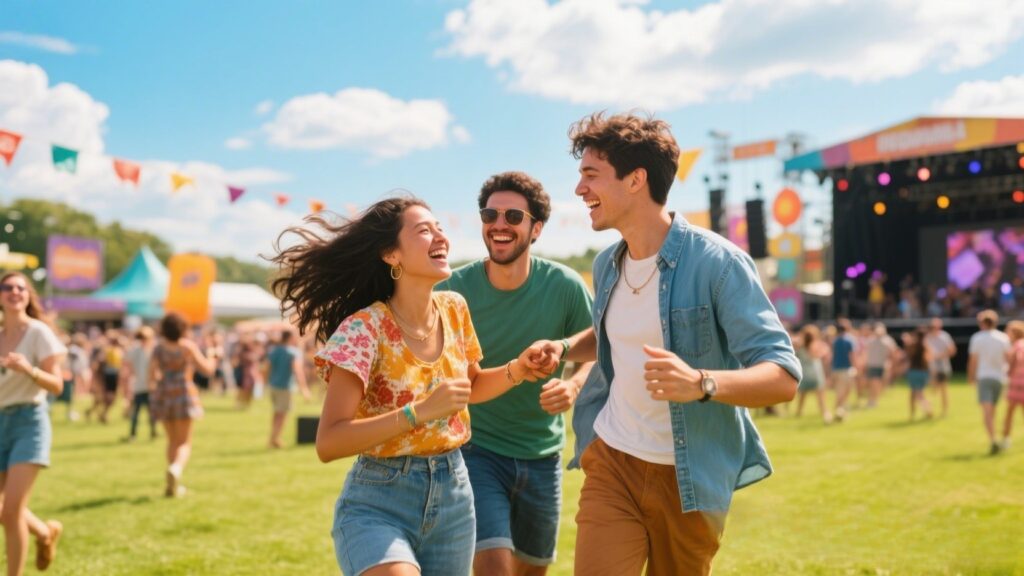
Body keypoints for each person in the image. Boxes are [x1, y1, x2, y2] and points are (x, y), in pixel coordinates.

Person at [526, 112, 800, 576]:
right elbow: (617, 332)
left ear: (636, 180)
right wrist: (564, 347)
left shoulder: (720, 264)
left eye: (591, 175)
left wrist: (700, 382)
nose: (579, 190)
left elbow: (783, 375)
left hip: (690, 480)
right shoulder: (608, 265)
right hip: (613, 460)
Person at [272, 196, 547, 576]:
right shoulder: (363, 329)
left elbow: (472, 386)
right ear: (391, 254)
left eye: (440, 227)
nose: (440, 236)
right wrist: (418, 412)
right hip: (379, 499)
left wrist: (519, 368)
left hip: (454, 493)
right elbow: (329, 442)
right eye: (423, 230)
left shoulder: (454, 308)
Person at [437, 171, 595, 575]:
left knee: (531, 570)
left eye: (513, 216)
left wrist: (574, 384)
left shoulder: (565, 285)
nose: (499, 225)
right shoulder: (453, 290)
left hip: (542, 454)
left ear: (535, 228)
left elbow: (598, 346)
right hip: (476, 450)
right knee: (493, 567)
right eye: (490, 214)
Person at [0, 272, 67, 574]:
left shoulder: (38, 332)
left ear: (28, 296)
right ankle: (44, 532)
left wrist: (29, 370)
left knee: (11, 510)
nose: (15, 292)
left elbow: (57, 385)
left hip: (29, 422)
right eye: (8, 287)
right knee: (4, 511)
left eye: (21, 288)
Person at [149, 313, 216, 497]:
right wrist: (212, 356)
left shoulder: (158, 349)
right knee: (184, 442)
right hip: (184, 393)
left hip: (164, 395)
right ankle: (176, 469)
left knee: (171, 441)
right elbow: (207, 370)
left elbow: (151, 376)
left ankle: (173, 482)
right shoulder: (187, 347)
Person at [967, 309, 1011, 455]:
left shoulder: (977, 338)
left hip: (984, 376)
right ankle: (995, 437)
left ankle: (993, 440)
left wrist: (971, 377)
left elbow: (973, 360)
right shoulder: (1003, 338)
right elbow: (1009, 359)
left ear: (982, 323)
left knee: (987, 411)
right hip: (1000, 377)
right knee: (992, 410)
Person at [265, 330, 311, 448]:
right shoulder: (293, 353)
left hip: (273, 385)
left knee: (277, 412)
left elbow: (267, 367)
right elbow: (297, 370)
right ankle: (275, 438)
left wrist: (266, 383)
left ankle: (273, 437)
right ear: (290, 338)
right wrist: (304, 389)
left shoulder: (274, 350)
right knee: (282, 413)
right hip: (285, 386)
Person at [122, 326, 157, 442]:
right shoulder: (137, 350)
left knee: (151, 412)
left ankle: (153, 432)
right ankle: (134, 434)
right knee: (137, 412)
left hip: (149, 386)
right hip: (140, 386)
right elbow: (126, 362)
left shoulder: (151, 350)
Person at [793, 325, 831, 423]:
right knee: (821, 399)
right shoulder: (816, 345)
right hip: (816, 375)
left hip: (804, 375)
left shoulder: (799, 346)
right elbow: (824, 355)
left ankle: (798, 413)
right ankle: (825, 414)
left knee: (802, 397)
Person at [924, 317, 956, 418]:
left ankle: (944, 411)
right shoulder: (927, 337)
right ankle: (929, 410)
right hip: (931, 367)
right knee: (931, 389)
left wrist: (939, 355)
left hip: (943, 367)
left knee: (943, 390)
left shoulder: (945, 336)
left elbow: (952, 350)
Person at [1000, 320, 1024, 450]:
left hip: (1017, 383)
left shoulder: (1017, 346)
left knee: (1010, 412)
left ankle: (1006, 439)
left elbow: (1015, 361)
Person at [900, 328, 933, 420]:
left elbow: (907, 355)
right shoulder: (926, 346)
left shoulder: (913, 345)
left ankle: (921, 411)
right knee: (920, 392)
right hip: (923, 372)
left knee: (915, 393)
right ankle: (922, 410)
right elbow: (930, 358)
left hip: (914, 371)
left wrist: (906, 342)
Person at [863, 323, 898, 408]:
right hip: (872, 364)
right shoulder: (871, 340)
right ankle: (872, 400)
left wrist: (891, 363)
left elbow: (893, 352)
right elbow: (865, 352)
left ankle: (874, 400)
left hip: (882, 365)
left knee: (878, 383)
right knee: (873, 383)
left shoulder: (887, 340)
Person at [831, 320, 857, 421]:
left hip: (836, 368)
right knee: (846, 390)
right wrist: (855, 367)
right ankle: (839, 409)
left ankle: (840, 409)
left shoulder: (835, 341)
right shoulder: (849, 340)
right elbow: (852, 355)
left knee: (840, 390)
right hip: (846, 368)